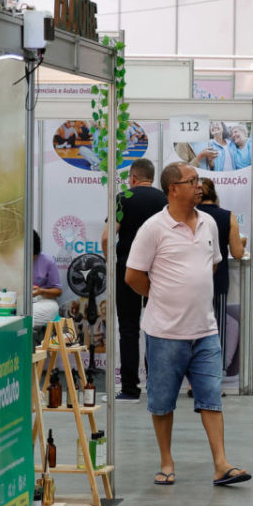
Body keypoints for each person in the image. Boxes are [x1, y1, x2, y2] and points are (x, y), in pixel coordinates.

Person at [124, 161, 250, 487]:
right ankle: (166, 461)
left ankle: (221, 464)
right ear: (173, 189)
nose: (199, 185)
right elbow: (133, 275)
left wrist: (190, 290)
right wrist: (161, 294)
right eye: (192, 180)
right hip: (165, 332)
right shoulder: (153, 228)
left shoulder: (208, 222)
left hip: (205, 330)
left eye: (199, 180)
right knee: (162, 401)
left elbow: (213, 265)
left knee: (211, 397)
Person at [102, 158, 167, 400]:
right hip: (159, 272)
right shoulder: (165, 200)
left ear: (132, 178)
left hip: (128, 271)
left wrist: (113, 261)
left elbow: (108, 237)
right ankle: (158, 387)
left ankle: (130, 389)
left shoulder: (123, 198)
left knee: (128, 329)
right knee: (158, 328)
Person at [198, 177, 246, 373]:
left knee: (194, 329)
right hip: (218, 280)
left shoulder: (190, 215)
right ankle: (215, 375)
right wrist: (240, 243)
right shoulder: (228, 216)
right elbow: (236, 253)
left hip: (191, 280)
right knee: (218, 329)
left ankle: (194, 378)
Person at [31, 230, 62, 329]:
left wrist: (41, 291)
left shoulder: (48, 261)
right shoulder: (12, 260)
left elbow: (58, 291)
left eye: (33, 257)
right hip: (16, 301)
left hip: (42, 301)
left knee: (50, 310)